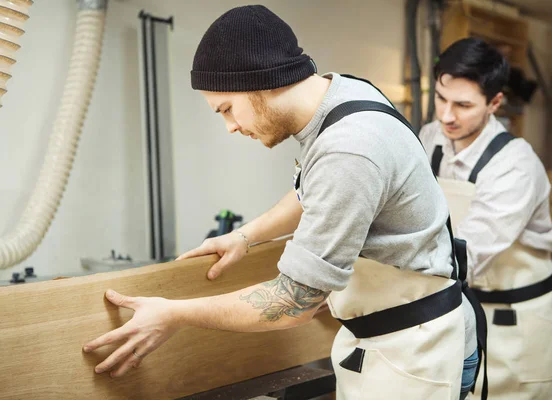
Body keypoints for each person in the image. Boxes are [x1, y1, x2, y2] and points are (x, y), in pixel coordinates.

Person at [83, 6, 479, 399]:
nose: (231, 127)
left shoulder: (350, 149)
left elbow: (294, 302)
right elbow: (317, 189)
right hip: (388, 335)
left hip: (413, 352)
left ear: (261, 80)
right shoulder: (340, 93)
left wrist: (174, 314)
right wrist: (245, 236)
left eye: (227, 109)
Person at [419, 37, 552, 399]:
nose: (447, 115)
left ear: (495, 103)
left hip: (518, 324)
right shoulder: (429, 138)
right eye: (441, 99)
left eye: (463, 105)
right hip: (457, 311)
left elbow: (466, 254)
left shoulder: (515, 165)